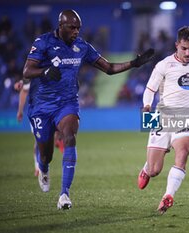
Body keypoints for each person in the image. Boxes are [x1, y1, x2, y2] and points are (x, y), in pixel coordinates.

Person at [22, 9, 154, 210]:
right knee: (46, 153)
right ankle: (44, 168)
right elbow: (27, 71)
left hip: (67, 103)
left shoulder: (82, 46)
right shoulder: (43, 42)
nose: (76, 31)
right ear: (61, 26)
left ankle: (64, 194)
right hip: (42, 106)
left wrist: (134, 64)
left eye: (78, 28)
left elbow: (108, 68)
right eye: (72, 27)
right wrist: (45, 71)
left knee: (69, 137)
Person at [137, 26, 189, 214]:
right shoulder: (164, 65)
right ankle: (147, 168)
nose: (188, 53)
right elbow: (150, 89)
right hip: (162, 117)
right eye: (184, 48)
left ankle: (168, 196)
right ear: (176, 45)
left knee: (183, 153)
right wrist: (147, 107)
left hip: (186, 119)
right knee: (156, 170)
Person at [14, 80, 65, 177]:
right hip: (37, 112)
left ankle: (55, 142)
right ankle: (37, 166)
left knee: (54, 134)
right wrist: (20, 111)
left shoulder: (53, 69)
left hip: (52, 109)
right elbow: (24, 90)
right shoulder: (33, 74)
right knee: (39, 140)